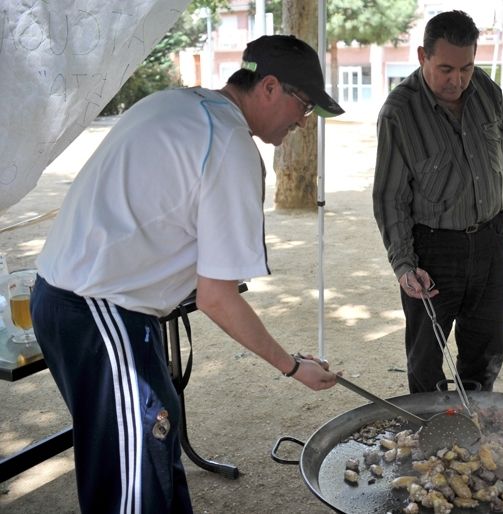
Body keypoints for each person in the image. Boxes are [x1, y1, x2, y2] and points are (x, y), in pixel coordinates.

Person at [30, 35, 343, 513]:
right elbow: (217, 296)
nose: (303, 122)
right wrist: (292, 366)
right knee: (133, 482)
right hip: (101, 312)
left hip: (70, 300)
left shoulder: (178, 103)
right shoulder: (230, 144)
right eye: (303, 106)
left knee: (148, 447)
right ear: (270, 87)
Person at [372, 10, 503, 394]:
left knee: (486, 351)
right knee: (425, 359)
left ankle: (475, 438)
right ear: (422, 56)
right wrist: (405, 264)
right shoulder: (399, 112)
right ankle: (427, 440)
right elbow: (390, 196)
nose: (457, 80)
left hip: (490, 243)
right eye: (446, 69)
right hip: (433, 251)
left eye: (467, 68)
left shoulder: (487, 90)